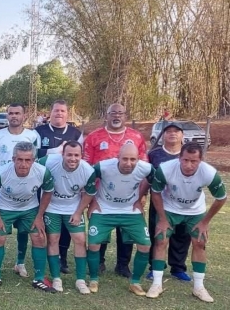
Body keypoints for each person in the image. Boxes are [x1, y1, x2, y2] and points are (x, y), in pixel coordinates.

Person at [147, 143, 227, 302]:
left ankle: (199, 287)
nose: (189, 165)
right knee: (161, 240)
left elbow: (221, 198)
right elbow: (155, 193)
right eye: (185, 160)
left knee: (199, 243)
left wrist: (205, 222)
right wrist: (162, 219)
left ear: (201, 160)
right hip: (169, 209)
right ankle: (156, 284)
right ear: (179, 158)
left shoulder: (209, 173)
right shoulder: (166, 169)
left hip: (195, 211)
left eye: (194, 161)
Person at [83, 103, 147, 277]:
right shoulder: (94, 137)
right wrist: (90, 198)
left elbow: (144, 168)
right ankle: (99, 262)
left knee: (127, 230)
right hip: (101, 193)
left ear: (125, 116)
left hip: (129, 193)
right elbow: (86, 168)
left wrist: (142, 196)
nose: (116, 116)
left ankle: (123, 265)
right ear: (107, 115)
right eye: (113, 113)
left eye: (120, 113)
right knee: (101, 228)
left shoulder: (136, 137)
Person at [0, 141, 54, 292]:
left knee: (39, 237)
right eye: (20, 159)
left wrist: (39, 216)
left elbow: (48, 192)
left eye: (28, 160)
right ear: (13, 159)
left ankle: (39, 277)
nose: (23, 164)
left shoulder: (42, 172)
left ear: (33, 160)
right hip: (4, 208)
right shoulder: (1, 173)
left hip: (29, 208)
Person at [86, 144, 153, 296]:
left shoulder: (146, 168)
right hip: (104, 210)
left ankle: (135, 283)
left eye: (133, 159)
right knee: (94, 244)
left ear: (138, 159)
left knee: (145, 245)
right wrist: (93, 201)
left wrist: (140, 197)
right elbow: (88, 178)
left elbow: (151, 180)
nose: (129, 163)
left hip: (130, 211)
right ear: (118, 158)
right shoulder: (103, 167)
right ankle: (94, 279)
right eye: (125, 159)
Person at [0, 103, 41, 278]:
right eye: (11, 113)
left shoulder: (33, 136)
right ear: (7, 116)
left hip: (26, 192)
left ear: (23, 116)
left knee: (24, 230)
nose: (14, 116)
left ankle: (20, 263)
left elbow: (37, 162)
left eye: (17, 113)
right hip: (2, 191)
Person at [39, 141, 96, 293]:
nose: (73, 158)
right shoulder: (48, 161)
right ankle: (56, 278)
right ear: (62, 154)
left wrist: (78, 212)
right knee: (53, 239)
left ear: (81, 155)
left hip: (73, 208)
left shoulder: (88, 170)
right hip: (52, 207)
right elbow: (34, 168)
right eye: (69, 155)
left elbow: (89, 193)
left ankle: (80, 280)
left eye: (76, 155)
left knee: (80, 240)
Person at [36, 100, 85, 275]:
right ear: (50, 112)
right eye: (56, 110)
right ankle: (48, 257)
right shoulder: (39, 131)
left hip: (68, 185)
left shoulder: (75, 133)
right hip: (45, 183)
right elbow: (34, 154)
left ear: (67, 113)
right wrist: (55, 151)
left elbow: (80, 156)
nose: (59, 113)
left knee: (66, 225)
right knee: (48, 225)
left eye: (63, 111)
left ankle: (62, 258)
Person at [147, 122, 192, 282]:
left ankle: (178, 268)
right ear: (163, 135)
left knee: (181, 236)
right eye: (168, 131)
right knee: (157, 235)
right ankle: (155, 267)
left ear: (182, 135)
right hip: (159, 202)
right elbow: (147, 177)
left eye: (176, 131)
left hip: (183, 203)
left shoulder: (188, 153)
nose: (172, 134)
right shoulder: (154, 154)